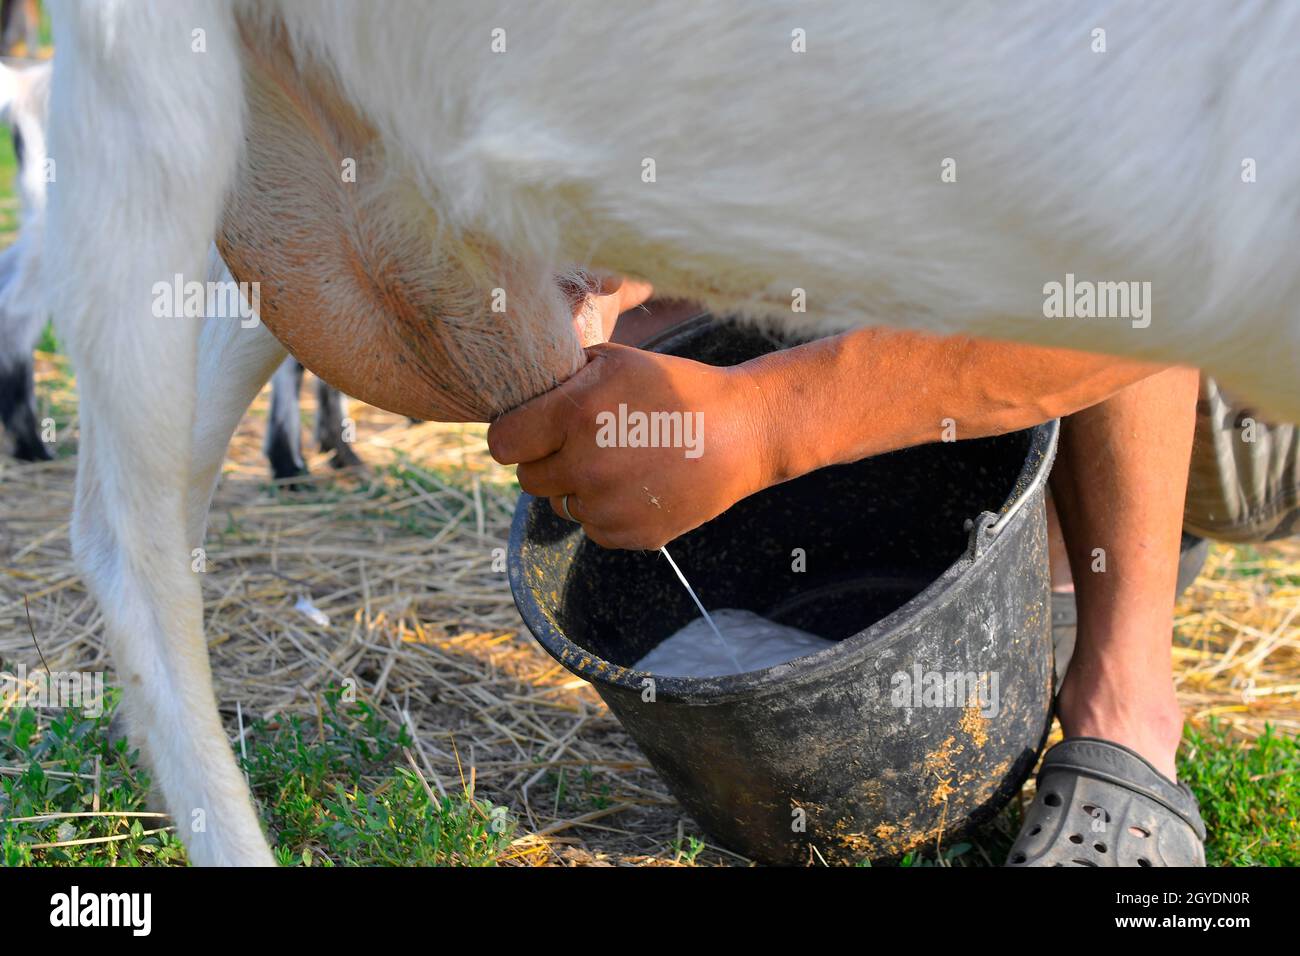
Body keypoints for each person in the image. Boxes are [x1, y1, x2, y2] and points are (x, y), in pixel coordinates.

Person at [488, 280, 1297, 866]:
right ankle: (1074, 539)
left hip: (1256, 379)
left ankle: (1130, 707)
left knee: (1075, 244)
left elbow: (1138, 292)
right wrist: (631, 271)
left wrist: (761, 424)